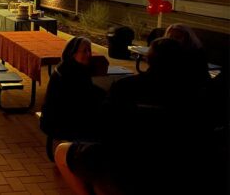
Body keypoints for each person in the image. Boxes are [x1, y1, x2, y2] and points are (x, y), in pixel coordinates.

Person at [55, 38, 214, 195]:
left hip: (123, 165)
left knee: (63, 153)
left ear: (147, 58)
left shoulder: (126, 86)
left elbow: (105, 126)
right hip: (174, 169)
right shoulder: (194, 94)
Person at [40, 37, 106, 152]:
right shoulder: (70, 72)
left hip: (59, 116)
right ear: (72, 53)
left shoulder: (72, 67)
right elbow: (84, 96)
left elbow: (88, 91)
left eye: (89, 50)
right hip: (58, 121)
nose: (88, 54)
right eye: (84, 51)